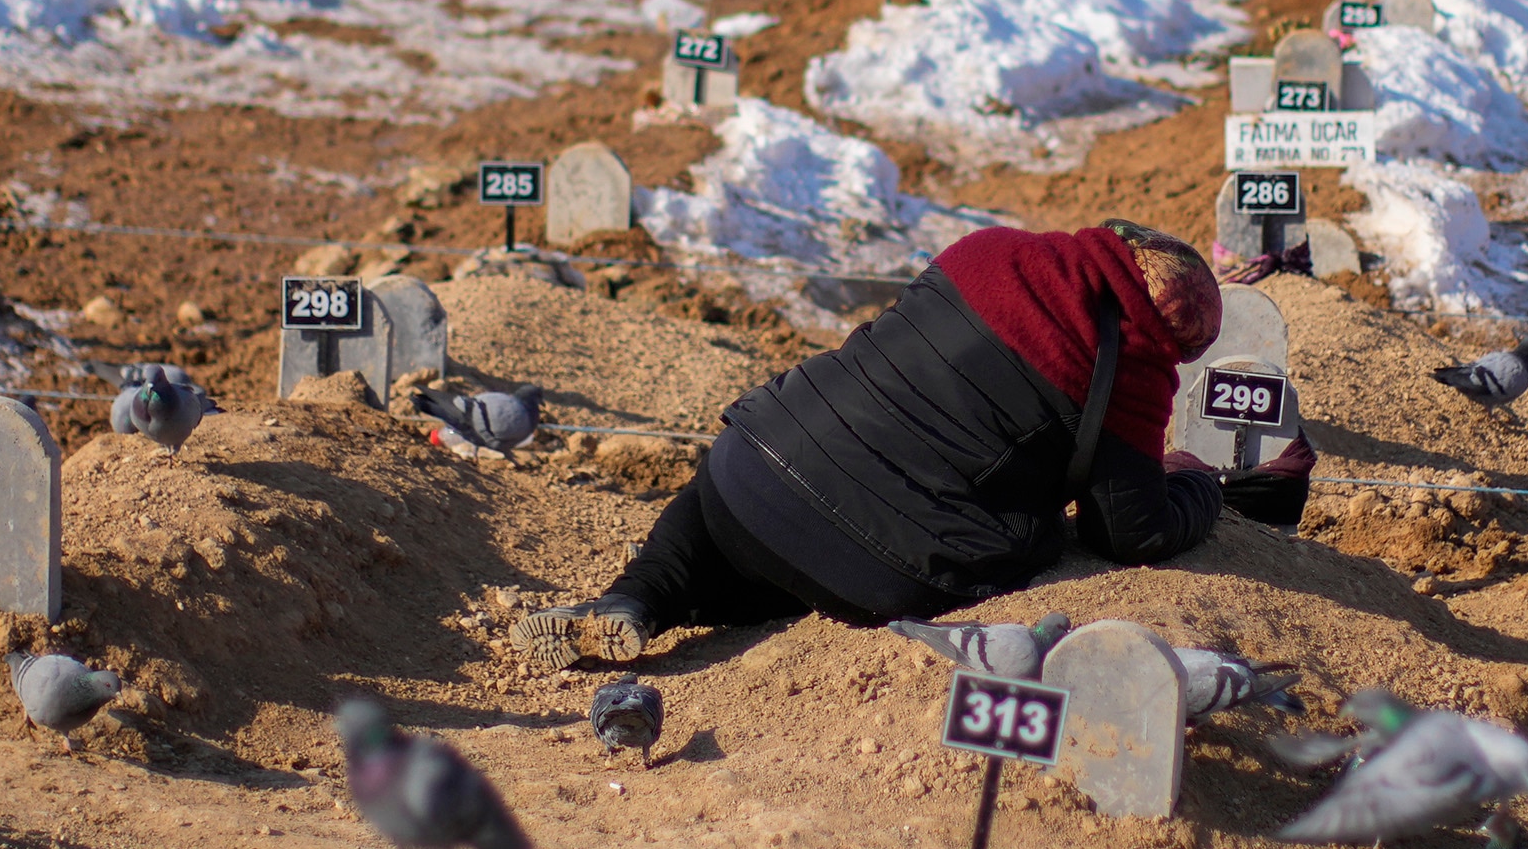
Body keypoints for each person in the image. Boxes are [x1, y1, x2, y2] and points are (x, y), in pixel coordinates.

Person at [522, 220, 1265, 662]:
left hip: (756, 464)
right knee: (823, 559)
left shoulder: (990, 249)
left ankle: (634, 599)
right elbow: (1130, 531)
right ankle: (682, 602)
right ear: (1174, 341)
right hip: (883, 564)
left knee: (754, 487)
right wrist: (1193, 481)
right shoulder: (1135, 370)